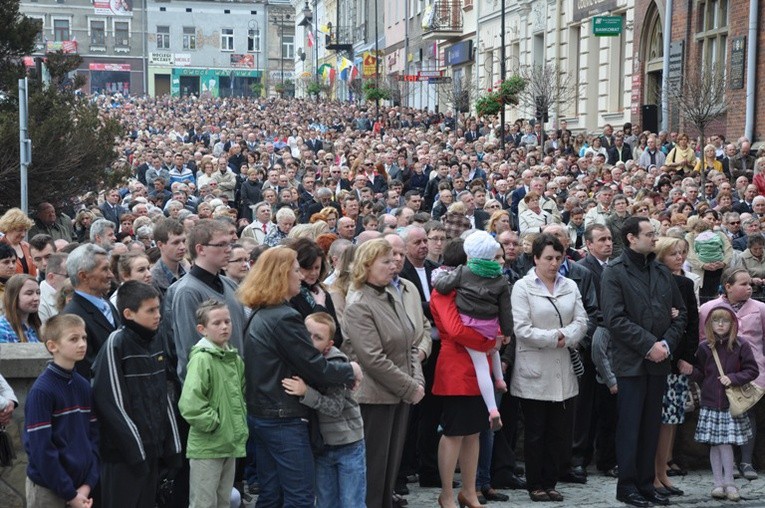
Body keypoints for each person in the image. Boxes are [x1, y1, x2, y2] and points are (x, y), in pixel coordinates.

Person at [238, 247, 360, 508]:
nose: (301, 276)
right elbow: (317, 368)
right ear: (282, 275)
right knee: (300, 496)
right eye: (296, 270)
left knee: (272, 495)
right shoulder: (284, 317)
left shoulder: (262, 312)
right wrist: (350, 370)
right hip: (283, 419)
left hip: (264, 415)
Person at [601, 217, 687, 508]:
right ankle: (627, 486)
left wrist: (665, 344)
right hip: (631, 362)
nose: (655, 238)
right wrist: (649, 344)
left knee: (651, 425)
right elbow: (614, 318)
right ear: (630, 238)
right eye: (649, 234)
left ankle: (646, 483)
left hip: (659, 360)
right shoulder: (614, 272)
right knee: (630, 427)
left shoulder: (661, 270)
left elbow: (681, 314)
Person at [341, 239, 425, 508]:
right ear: (367, 266)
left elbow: (410, 341)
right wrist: (410, 387)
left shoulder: (391, 294)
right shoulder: (359, 303)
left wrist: (416, 382)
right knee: (374, 473)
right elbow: (372, 359)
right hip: (375, 399)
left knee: (389, 472)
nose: (394, 265)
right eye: (386, 261)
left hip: (399, 395)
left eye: (394, 260)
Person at [510, 233, 588, 503]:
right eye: (548, 258)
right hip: (535, 367)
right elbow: (521, 328)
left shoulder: (570, 285)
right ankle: (535, 484)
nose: (554, 263)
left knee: (558, 432)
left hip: (562, 367)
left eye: (558, 258)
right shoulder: (522, 287)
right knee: (535, 432)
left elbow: (582, 320)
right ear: (536, 259)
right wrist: (555, 337)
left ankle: (551, 481)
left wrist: (569, 335)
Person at [91, 281, 182, 508]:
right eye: (150, 310)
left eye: (158, 309)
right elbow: (110, 403)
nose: (158, 315)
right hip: (124, 456)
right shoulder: (117, 343)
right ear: (128, 314)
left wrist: (172, 447)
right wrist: (137, 452)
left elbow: (164, 396)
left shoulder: (155, 340)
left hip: (151, 452)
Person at [280, 312, 366, 508]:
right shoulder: (300, 359)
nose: (310, 341)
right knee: (325, 501)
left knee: (351, 502)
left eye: (317, 338)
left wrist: (305, 392)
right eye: (306, 334)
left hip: (348, 444)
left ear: (329, 345)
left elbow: (334, 407)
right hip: (322, 446)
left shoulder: (336, 364)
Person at [433, 231, 511, 430]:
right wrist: (506, 333)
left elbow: (443, 286)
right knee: (491, 355)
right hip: (485, 332)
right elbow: (505, 311)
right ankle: (500, 382)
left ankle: (493, 408)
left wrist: (441, 279)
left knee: (482, 367)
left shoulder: (462, 272)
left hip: (473, 327)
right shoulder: (499, 278)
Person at [23, 314, 98, 508]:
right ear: (52, 346)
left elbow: (93, 436)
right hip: (49, 490)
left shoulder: (82, 386)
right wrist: (69, 494)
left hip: (81, 488)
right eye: (73, 339)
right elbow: (41, 449)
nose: (82, 344)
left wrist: (87, 484)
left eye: (84, 337)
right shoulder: (42, 391)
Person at [178, 300, 248, 508]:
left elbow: (240, 394)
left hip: (229, 442)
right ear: (202, 329)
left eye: (227, 321)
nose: (224, 326)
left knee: (223, 501)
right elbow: (190, 404)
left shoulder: (233, 358)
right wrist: (214, 424)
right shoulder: (202, 359)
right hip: (208, 446)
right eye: (216, 323)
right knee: (204, 503)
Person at [698, 268, 765, 481]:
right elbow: (702, 340)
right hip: (719, 374)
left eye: (750, 284)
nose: (749, 288)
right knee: (722, 416)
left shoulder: (760, 308)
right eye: (743, 284)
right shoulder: (709, 308)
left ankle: (746, 461)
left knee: (747, 413)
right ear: (728, 286)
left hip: (752, 371)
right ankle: (730, 463)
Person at [691, 306, 759, 502]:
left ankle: (729, 483)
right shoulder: (704, 347)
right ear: (709, 325)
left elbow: (752, 370)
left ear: (733, 324)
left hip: (730, 404)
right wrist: (690, 371)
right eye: (716, 321)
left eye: (725, 321)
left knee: (724, 444)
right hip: (711, 402)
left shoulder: (740, 345)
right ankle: (718, 483)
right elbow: (701, 374)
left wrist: (733, 378)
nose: (720, 324)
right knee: (716, 444)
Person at [652, 237, 699, 496]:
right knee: (654, 420)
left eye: (682, 253)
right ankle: (652, 474)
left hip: (677, 359)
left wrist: (688, 357)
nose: (679, 257)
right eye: (673, 253)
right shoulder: (653, 280)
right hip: (656, 357)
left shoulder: (685, 283)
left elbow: (692, 322)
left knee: (671, 420)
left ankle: (663, 472)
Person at [62, 244, 120, 378]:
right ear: (83, 276)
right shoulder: (72, 317)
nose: (111, 275)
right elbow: (85, 369)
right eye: (105, 269)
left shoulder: (107, 305)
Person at [287, 237, 344, 348]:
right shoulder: (291, 295)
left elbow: (337, 334)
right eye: (308, 268)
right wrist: (319, 307)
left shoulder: (321, 293)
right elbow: (305, 336)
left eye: (317, 267)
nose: (314, 273)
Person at [0, 274, 42, 343]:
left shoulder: (36, 326)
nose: (36, 298)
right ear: (13, 297)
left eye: (38, 293)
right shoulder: (2, 329)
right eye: (29, 293)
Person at [0, 208, 37, 277]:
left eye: (25, 230)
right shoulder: (0, 246)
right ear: (8, 228)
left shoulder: (28, 247)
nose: (23, 234)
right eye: (19, 230)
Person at [38, 252, 68, 323]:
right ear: (51, 277)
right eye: (68, 276)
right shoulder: (40, 303)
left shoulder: (66, 294)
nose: (73, 280)